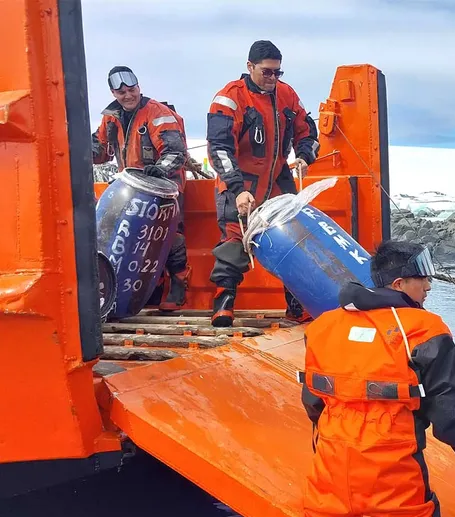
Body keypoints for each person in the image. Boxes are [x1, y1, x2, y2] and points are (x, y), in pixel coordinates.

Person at [282, 240, 455, 517]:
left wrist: (329, 445)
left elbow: (314, 401)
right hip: (393, 469)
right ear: (399, 285)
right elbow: (451, 418)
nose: (428, 286)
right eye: (421, 278)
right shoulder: (425, 329)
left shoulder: (323, 326)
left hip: (332, 464)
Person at [206, 39, 320, 327]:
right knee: (234, 240)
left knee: (293, 240)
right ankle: (223, 304)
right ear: (250, 67)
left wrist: (305, 154)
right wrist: (237, 189)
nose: (272, 78)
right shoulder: (229, 98)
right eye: (266, 72)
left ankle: (296, 306)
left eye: (277, 73)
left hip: (278, 180)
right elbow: (219, 148)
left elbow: (308, 132)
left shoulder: (287, 95)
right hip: (240, 180)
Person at [92, 66, 192, 310]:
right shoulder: (111, 117)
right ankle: (147, 289)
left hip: (164, 188)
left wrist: (160, 169)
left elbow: (175, 151)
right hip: (131, 189)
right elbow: (100, 150)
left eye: (132, 89)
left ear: (138, 87)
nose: (128, 95)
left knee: (169, 236)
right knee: (131, 239)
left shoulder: (158, 113)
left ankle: (179, 283)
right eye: (122, 92)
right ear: (113, 93)